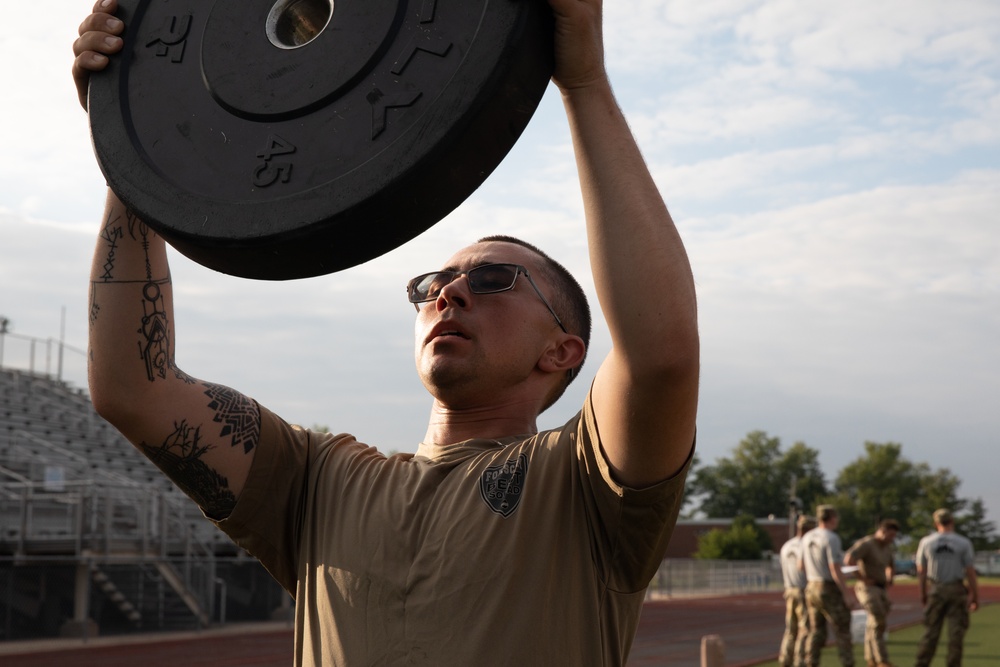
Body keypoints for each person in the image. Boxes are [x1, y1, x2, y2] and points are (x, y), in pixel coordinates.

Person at [72, 0, 700, 664]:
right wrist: (140, 150)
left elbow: (661, 353)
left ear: (563, 350)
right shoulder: (317, 482)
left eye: (492, 281)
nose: (449, 291)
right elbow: (132, 387)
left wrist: (584, 81)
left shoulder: (583, 484)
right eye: (432, 284)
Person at [914, 509, 979, 667]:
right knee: (956, 634)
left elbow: (921, 572)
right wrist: (975, 596)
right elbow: (970, 572)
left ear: (936, 523)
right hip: (956, 590)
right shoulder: (963, 542)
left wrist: (923, 593)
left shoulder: (926, 542)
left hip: (936, 589)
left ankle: (922, 663)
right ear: (952, 522)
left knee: (930, 632)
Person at [801, 505, 854, 667]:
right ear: (831, 518)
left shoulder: (807, 537)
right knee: (842, 628)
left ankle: (811, 662)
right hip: (827, 586)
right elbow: (834, 567)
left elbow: (800, 565)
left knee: (816, 630)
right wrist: (846, 593)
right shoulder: (831, 537)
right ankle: (848, 663)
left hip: (811, 585)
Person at [844, 519, 899, 667]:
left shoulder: (887, 547)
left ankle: (871, 659)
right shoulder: (867, 544)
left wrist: (889, 577)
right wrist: (862, 578)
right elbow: (849, 558)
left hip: (881, 588)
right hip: (868, 588)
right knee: (878, 620)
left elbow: (891, 565)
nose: (891, 539)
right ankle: (882, 659)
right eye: (889, 535)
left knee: (874, 624)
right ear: (882, 531)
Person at [779, 514, 817, 667]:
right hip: (802, 590)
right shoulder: (806, 545)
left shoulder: (787, 546)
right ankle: (799, 661)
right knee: (805, 629)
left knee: (790, 629)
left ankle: (785, 659)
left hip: (789, 589)